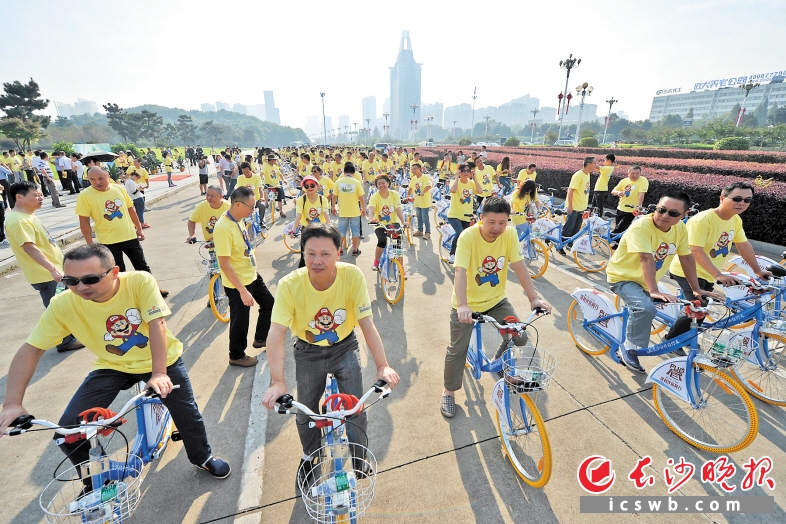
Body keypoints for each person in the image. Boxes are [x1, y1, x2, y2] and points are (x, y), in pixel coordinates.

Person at [0, 244, 231, 480]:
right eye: (71, 280)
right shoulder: (62, 304)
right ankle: (95, 479)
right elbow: (31, 349)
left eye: (90, 279)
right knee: (69, 431)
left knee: (186, 413)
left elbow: (156, 324)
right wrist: (12, 403)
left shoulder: (139, 281)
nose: (80, 287)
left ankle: (202, 456)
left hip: (160, 361)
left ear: (114, 272)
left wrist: (160, 372)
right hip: (112, 365)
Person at [260, 224, 400, 490]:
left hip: (344, 346)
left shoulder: (352, 276)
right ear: (303, 253)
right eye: (310, 253)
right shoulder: (290, 284)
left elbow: (367, 324)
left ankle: (359, 456)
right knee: (306, 413)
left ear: (339, 252)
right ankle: (311, 456)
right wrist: (278, 381)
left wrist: (382, 366)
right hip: (307, 351)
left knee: (355, 407)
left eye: (325, 253)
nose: (317, 260)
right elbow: (276, 334)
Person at [441, 197, 552, 418]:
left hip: (496, 300)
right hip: (467, 305)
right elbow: (460, 271)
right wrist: (462, 305)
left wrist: (533, 298)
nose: (497, 228)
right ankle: (448, 392)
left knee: (519, 335)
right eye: (491, 222)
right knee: (457, 349)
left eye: (502, 222)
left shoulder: (509, 234)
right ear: (481, 218)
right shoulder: (468, 236)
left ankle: (498, 361)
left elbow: (519, 265)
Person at [606, 192, 716, 373]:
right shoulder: (642, 225)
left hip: (646, 280)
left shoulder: (680, 228)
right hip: (623, 277)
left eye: (673, 213)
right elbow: (645, 259)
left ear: (684, 215)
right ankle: (628, 347)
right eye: (661, 210)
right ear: (655, 208)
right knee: (646, 308)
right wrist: (654, 290)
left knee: (697, 305)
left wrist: (696, 289)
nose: (665, 216)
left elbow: (686, 258)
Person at [665, 181, 772, 342]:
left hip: (708, 273)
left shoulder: (735, 220)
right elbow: (695, 250)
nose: (742, 203)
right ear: (722, 198)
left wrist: (757, 270)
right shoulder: (702, 220)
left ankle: (686, 339)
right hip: (688, 271)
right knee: (697, 306)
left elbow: (743, 245)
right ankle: (671, 341)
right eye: (737, 198)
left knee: (703, 308)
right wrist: (719, 275)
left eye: (747, 200)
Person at [4, 182, 84, 351]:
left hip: (52, 272)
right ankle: (64, 342)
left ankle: (71, 335)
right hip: (46, 275)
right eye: (36, 195)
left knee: (65, 305)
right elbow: (29, 248)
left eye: (41, 195)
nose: (41, 198)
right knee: (57, 309)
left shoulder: (28, 215)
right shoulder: (19, 220)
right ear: (19, 197)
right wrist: (52, 269)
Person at [76, 167, 167, 296]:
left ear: (108, 176)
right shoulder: (85, 196)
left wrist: (139, 228)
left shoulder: (118, 189)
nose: (97, 182)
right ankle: (124, 297)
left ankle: (153, 291)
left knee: (142, 266)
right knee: (118, 272)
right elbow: (84, 221)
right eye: (92, 179)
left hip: (129, 236)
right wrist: (90, 243)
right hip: (108, 242)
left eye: (101, 178)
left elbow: (131, 210)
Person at [213, 186, 275, 367]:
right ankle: (237, 355)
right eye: (251, 206)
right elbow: (224, 264)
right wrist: (242, 291)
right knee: (241, 320)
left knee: (269, 303)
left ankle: (261, 338)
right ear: (238, 204)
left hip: (251, 274)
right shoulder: (223, 228)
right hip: (238, 282)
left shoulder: (237, 219)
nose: (253, 209)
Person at [366, 175, 407, 271]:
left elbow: (398, 209)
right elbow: (371, 209)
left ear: (388, 183)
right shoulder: (375, 196)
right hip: (379, 224)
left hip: (393, 223)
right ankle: (376, 261)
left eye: (383, 183)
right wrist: (371, 219)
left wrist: (403, 221)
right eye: (378, 184)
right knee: (382, 240)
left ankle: (401, 268)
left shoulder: (394, 195)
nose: (381, 185)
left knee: (398, 244)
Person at [558, 156, 596, 255]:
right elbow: (570, 191)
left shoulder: (587, 175)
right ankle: (560, 246)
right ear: (588, 164)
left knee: (576, 229)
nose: (596, 165)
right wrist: (570, 206)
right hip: (574, 207)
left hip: (582, 207)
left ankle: (569, 244)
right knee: (568, 228)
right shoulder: (579, 175)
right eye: (594, 163)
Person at [446, 163, 483, 264]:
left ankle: (462, 253)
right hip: (454, 215)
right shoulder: (455, 182)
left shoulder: (471, 183)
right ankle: (452, 254)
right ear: (460, 172)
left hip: (467, 215)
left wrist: (475, 179)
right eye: (463, 171)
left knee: (466, 236)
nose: (466, 173)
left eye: (468, 170)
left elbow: (480, 191)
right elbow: (453, 190)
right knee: (460, 232)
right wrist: (457, 177)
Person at [293, 176, 331, 268]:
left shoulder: (323, 199)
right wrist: (294, 230)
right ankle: (302, 277)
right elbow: (298, 215)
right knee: (305, 256)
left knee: (322, 254)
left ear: (317, 186)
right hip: (307, 229)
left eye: (312, 185)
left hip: (320, 229)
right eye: (306, 186)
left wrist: (330, 227)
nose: (309, 187)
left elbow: (326, 214)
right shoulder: (301, 200)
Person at [335, 163, 366, 256]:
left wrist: (333, 207)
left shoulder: (338, 182)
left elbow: (334, 196)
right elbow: (361, 198)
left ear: (344, 172)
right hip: (355, 211)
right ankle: (355, 250)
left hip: (343, 211)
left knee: (341, 231)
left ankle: (339, 250)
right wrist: (364, 209)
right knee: (356, 231)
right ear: (354, 173)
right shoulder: (357, 182)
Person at [610, 165, 648, 236]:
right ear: (628, 173)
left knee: (619, 229)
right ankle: (616, 245)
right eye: (633, 173)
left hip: (632, 210)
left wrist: (638, 207)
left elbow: (641, 194)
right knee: (620, 230)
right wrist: (618, 192)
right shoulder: (624, 181)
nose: (635, 175)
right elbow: (613, 191)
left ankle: (608, 240)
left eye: (637, 173)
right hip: (620, 208)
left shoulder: (643, 180)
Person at [409, 163, 433, 239]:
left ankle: (427, 232)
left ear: (420, 169)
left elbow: (429, 185)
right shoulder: (413, 178)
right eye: (412, 169)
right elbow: (410, 188)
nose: (413, 170)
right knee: (419, 217)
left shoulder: (425, 177)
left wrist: (423, 192)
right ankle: (420, 230)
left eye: (415, 169)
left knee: (425, 218)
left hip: (424, 202)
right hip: (417, 201)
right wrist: (407, 196)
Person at [261, 154, 286, 219]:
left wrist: (284, 180)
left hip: (276, 185)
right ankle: (266, 202)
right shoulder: (265, 166)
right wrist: (260, 181)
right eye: (274, 160)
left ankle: (281, 211)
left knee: (279, 199)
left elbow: (280, 174)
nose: (275, 161)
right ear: (271, 160)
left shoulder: (275, 167)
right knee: (266, 191)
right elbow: (261, 174)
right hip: (268, 184)